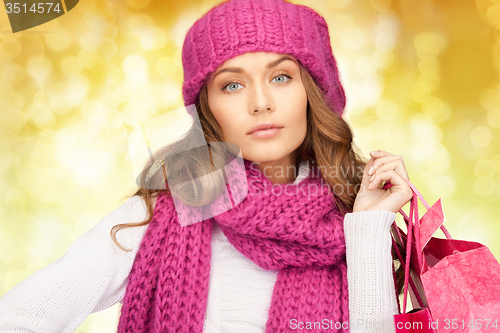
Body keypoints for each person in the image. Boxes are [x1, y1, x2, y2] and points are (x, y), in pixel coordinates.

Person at [0, 0, 414, 332]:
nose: (260, 102)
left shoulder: (355, 223)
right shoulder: (161, 215)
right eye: (232, 85)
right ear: (208, 109)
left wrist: (367, 228)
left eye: (281, 77)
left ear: (313, 91)